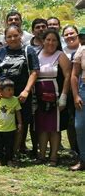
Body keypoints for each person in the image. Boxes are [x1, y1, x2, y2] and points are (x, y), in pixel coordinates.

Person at [0, 25, 39, 155]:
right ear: (5, 39)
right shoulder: (0, 52)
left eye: (15, 35)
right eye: (9, 36)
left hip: (21, 95)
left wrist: (27, 90)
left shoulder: (28, 51)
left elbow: (34, 72)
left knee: (19, 124)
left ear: (20, 35)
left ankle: (13, 153)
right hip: (2, 95)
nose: (12, 38)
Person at [34, 30, 71, 166]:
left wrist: (64, 96)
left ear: (58, 42)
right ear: (43, 41)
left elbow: (68, 75)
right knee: (42, 126)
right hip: (39, 95)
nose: (50, 42)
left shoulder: (60, 55)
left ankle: (53, 157)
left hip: (54, 94)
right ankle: (42, 155)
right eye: (48, 39)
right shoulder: (36, 54)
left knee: (54, 128)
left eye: (54, 40)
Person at [0, 79, 22, 167]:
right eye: (8, 90)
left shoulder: (15, 100)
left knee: (9, 145)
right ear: (1, 91)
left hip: (11, 129)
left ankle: (9, 159)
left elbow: (18, 112)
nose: (11, 92)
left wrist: (20, 123)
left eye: (12, 90)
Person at [71, 43, 85, 170]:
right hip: (83, 90)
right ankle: (83, 159)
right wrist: (76, 95)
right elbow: (74, 75)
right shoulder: (82, 50)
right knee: (80, 126)